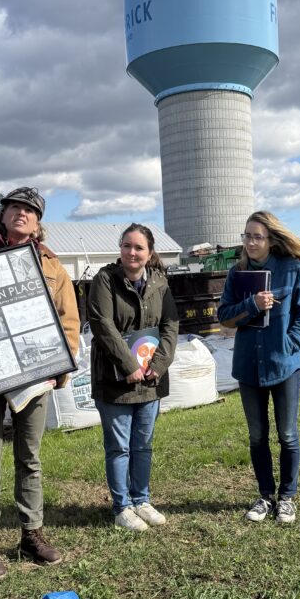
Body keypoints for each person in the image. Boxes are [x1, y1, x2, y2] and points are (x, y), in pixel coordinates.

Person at [0, 187, 80, 579]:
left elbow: (69, 319)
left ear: (38, 222)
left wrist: (61, 366)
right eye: (14, 207)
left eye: (30, 210)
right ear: (3, 215)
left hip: (34, 374)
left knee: (30, 457)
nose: (21, 213)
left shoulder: (52, 266)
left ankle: (31, 534)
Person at [217, 211, 300, 525]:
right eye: (247, 236)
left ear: (270, 240)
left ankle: (287, 498)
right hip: (248, 366)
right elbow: (225, 317)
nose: (251, 243)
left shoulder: (290, 269)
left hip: (284, 365)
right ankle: (265, 496)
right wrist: (252, 304)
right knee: (257, 436)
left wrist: (292, 343)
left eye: (257, 237)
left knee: (287, 434)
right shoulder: (237, 274)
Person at [88, 223, 178, 531]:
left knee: (143, 445)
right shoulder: (105, 280)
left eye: (139, 247)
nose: (132, 252)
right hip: (115, 380)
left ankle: (141, 500)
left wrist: (159, 364)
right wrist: (129, 366)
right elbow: (102, 325)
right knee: (119, 447)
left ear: (149, 253)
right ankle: (122, 508)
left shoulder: (160, 283)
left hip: (150, 380)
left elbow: (170, 325)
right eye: (127, 245)